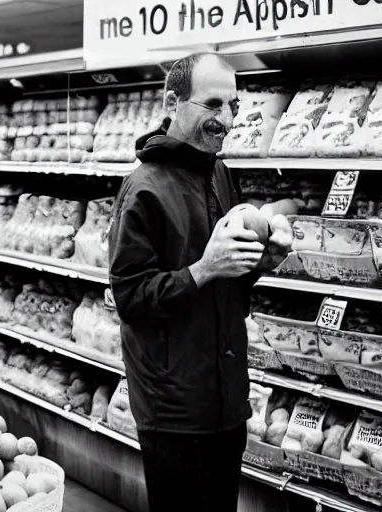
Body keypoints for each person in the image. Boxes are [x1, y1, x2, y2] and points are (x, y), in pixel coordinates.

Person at [108, 52, 293, 512]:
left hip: (225, 401)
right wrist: (204, 269)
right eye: (213, 105)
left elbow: (226, 286)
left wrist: (259, 262)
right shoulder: (142, 190)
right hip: (173, 409)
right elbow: (130, 298)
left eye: (233, 106)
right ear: (173, 103)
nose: (227, 120)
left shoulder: (219, 173)